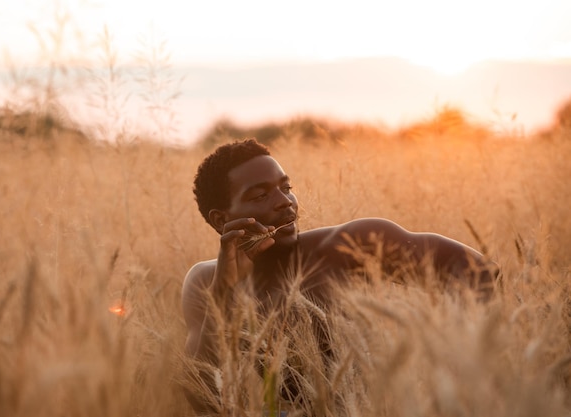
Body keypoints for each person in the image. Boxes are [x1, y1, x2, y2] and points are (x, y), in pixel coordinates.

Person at [181, 139, 498, 415]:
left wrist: (455, 363)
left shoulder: (343, 247)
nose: (284, 201)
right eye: (260, 196)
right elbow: (201, 393)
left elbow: (477, 271)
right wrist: (224, 289)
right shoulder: (204, 282)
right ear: (222, 220)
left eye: (286, 187)